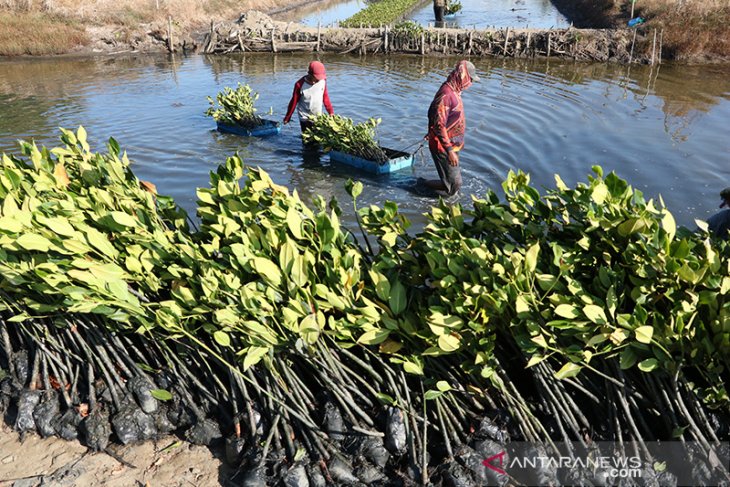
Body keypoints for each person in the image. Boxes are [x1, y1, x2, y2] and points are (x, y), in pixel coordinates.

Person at [421, 60, 479, 198]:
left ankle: (425, 185)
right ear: (462, 76)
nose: (470, 83)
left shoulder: (454, 90)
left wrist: (432, 130)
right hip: (444, 147)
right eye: (470, 79)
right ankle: (421, 188)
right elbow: (439, 123)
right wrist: (449, 151)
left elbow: (440, 118)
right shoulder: (447, 94)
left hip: (451, 144)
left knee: (452, 183)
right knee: (454, 186)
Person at [283, 60, 334, 134]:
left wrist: (331, 112)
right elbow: (294, 102)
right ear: (309, 74)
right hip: (304, 117)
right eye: (315, 78)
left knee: (318, 137)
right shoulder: (299, 84)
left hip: (317, 115)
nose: (316, 81)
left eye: (318, 79)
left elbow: (325, 97)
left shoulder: (322, 81)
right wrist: (288, 117)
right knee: (307, 138)